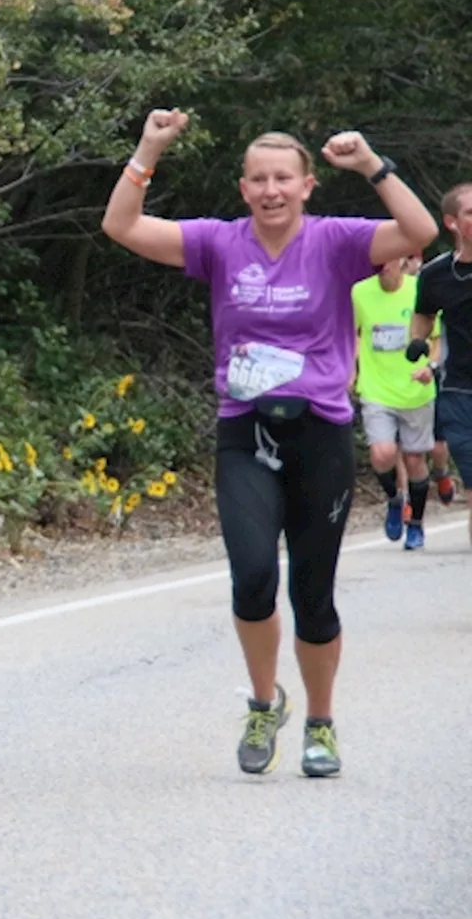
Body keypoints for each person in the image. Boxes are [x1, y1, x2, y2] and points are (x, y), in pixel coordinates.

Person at [102, 109, 437, 778]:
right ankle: (263, 703)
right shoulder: (220, 243)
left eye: (283, 177)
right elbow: (122, 227)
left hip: (318, 432)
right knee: (253, 576)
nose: (271, 190)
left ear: (308, 184)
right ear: (243, 188)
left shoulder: (337, 241)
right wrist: (148, 150)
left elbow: (421, 232)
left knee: (313, 593)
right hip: (245, 430)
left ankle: (321, 722)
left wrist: (371, 164)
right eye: (258, 179)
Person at [351, 253, 440, 549]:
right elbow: (352, 334)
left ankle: (415, 523)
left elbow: (437, 338)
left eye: (386, 262)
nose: (381, 269)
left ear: (401, 260)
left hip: (415, 390)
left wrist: (430, 368)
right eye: (375, 264)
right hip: (376, 389)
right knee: (382, 454)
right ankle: (393, 499)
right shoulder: (360, 292)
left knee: (415, 459)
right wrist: (349, 371)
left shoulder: (420, 289)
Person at [408, 183, 472, 541]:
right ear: (451, 221)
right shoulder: (435, 275)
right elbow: (424, 314)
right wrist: (418, 341)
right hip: (460, 388)